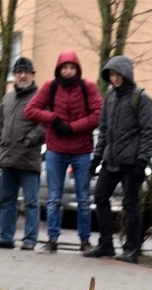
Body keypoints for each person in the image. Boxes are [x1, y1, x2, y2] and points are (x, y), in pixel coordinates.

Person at [24, 51, 102, 253]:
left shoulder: (88, 87)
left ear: (78, 69)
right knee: (53, 199)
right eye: (64, 68)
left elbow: (99, 114)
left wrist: (73, 127)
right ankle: (52, 240)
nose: (68, 72)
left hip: (81, 151)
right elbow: (30, 110)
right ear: (59, 69)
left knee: (84, 199)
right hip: (55, 150)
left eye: (72, 68)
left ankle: (85, 240)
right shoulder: (51, 87)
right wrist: (53, 118)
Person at [83, 55, 152, 264]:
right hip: (111, 160)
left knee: (131, 204)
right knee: (100, 197)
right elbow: (104, 130)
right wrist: (97, 158)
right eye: (111, 75)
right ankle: (106, 243)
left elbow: (149, 131)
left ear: (126, 74)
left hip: (131, 162)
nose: (114, 78)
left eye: (118, 74)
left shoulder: (139, 97)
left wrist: (142, 160)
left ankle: (131, 249)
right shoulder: (110, 97)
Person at [0, 57, 46, 250]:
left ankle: (30, 240)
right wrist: (1, 147)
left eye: (26, 72)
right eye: (18, 72)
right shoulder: (7, 98)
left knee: (31, 202)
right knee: (6, 201)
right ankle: (5, 238)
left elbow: (44, 125)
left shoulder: (40, 98)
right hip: (8, 159)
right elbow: (0, 126)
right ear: (13, 75)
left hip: (29, 159)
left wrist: (28, 140)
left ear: (32, 74)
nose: (22, 75)